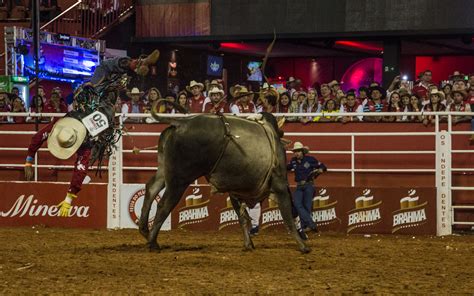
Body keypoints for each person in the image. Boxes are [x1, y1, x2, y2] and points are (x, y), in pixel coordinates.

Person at [24, 50, 160, 217]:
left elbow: (40, 140)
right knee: (104, 89)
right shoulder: (66, 130)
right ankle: (135, 65)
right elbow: (39, 139)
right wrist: (29, 161)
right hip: (96, 108)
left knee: (103, 77)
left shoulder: (72, 138)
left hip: (94, 104)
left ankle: (138, 62)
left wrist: (30, 161)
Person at [287, 142, 327, 233]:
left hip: (309, 185)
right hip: (299, 185)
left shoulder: (310, 159)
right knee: (297, 204)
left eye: (298, 151)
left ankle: (305, 227)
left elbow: (322, 166)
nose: (296, 153)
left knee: (306, 206)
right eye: (295, 151)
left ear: (302, 152)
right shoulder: (293, 161)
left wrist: (321, 169)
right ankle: (311, 224)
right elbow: (287, 167)